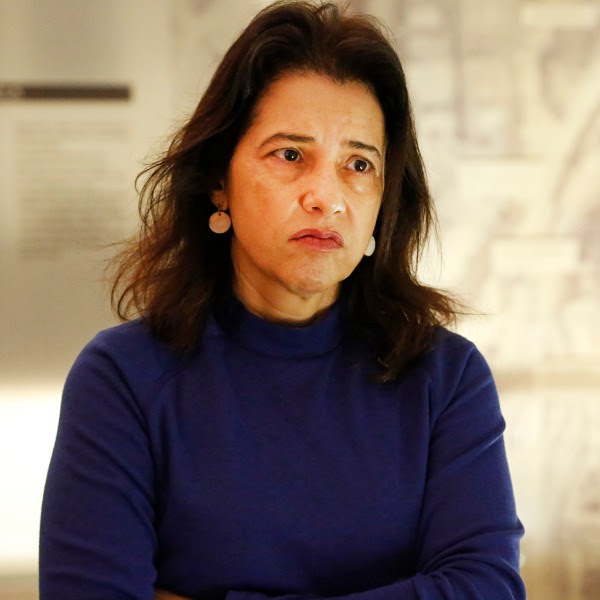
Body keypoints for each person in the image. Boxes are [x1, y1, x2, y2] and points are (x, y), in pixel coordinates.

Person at [39, 1, 526, 599]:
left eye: (358, 164)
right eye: (291, 155)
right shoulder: (122, 379)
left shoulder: (446, 379)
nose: (326, 196)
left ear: (384, 201)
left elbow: (486, 588)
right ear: (219, 181)